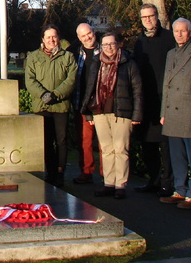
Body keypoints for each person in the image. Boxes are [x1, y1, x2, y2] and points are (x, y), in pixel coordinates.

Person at [81, 32, 142, 199]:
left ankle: (120, 185)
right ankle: (108, 183)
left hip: (121, 112)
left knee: (121, 149)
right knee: (106, 149)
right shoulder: (96, 63)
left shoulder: (129, 64)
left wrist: (136, 115)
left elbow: (137, 91)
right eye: (105, 45)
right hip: (100, 112)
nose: (108, 48)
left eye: (112, 44)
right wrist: (88, 114)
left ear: (118, 45)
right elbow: (90, 89)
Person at [160, 18, 191, 210]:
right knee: (177, 156)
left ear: (190, 32)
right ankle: (180, 190)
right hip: (172, 112)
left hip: (190, 113)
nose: (179, 34)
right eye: (176, 31)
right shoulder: (171, 54)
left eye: (183, 31)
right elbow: (166, 85)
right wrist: (164, 111)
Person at [132, 3, 177, 197]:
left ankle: (168, 183)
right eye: (144, 17)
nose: (148, 20)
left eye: (151, 16)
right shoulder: (139, 41)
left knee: (165, 145)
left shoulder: (169, 38)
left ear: (157, 16)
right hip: (145, 100)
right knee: (147, 143)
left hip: (164, 99)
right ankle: (153, 179)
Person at [24, 25, 78, 186]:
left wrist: (56, 94)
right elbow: (30, 80)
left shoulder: (68, 57)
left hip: (60, 105)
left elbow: (71, 79)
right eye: (48, 37)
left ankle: (60, 171)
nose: (51, 40)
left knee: (61, 140)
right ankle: (50, 171)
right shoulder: (33, 57)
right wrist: (43, 94)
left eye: (54, 37)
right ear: (43, 39)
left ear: (58, 38)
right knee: (46, 141)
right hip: (42, 106)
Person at [71, 23, 100, 184]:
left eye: (89, 33)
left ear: (93, 32)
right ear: (79, 38)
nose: (87, 37)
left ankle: (107, 176)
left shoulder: (105, 51)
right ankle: (86, 171)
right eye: (83, 36)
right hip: (81, 104)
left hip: (102, 105)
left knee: (104, 143)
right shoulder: (76, 54)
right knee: (84, 141)